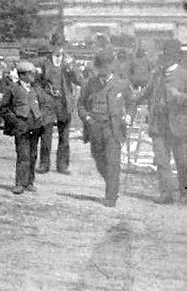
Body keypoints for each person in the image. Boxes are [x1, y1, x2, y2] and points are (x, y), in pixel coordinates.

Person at [78, 52, 132, 208]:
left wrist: (129, 116)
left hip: (112, 128)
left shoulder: (121, 84)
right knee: (99, 161)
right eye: (100, 68)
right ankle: (112, 183)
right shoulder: (88, 84)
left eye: (106, 67)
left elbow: (132, 102)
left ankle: (111, 196)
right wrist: (87, 119)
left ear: (111, 67)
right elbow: (81, 105)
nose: (102, 71)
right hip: (95, 127)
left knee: (113, 162)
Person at [141, 39, 187, 204]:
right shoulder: (157, 74)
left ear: (176, 57)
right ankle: (166, 194)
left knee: (183, 162)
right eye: (164, 56)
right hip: (159, 125)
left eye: (169, 56)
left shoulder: (184, 74)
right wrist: (130, 98)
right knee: (161, 161)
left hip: (179, 126)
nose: (165, 59)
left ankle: (184, 192)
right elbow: (147, 92)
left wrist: (180, 97)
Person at [0, 60, 51, 194]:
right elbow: (3, 109)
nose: (33, 76)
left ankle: (29, 182)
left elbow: (45, 105)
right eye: (30, 74)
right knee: (23, 155)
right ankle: (20, 184)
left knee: (33, 155)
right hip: (21, 127)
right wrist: (16, 122)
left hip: (36, 127)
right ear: (22, 75)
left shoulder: (36, 89)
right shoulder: (12, 89)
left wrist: (42, 117)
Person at [37, 38, 83, 174]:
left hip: (64, 101)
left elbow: (79, 80)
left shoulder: (70, 61)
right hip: (48, 102)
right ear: (52, 46)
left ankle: (62, 165)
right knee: (46, 133)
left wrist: (71, 69)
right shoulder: (44, 61)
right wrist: (44, 94)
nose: (59, 49)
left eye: (62, 46)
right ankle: (44, 164)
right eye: (57, 46)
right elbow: (37, 83)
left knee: (64, 135)